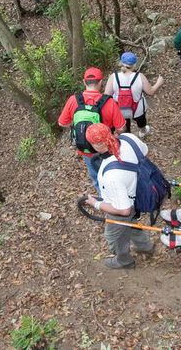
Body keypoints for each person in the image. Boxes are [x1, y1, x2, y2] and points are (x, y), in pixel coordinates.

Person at [82, 123, 155, 269]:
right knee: (132, 222)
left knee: (114, 237)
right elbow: (144, 152)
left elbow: (124, 211)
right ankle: (145, 246)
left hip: (122, 204)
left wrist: (96, 204)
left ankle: (124, 261)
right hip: (140, 193)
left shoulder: (111, 175)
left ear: (96, 145)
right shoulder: (128, 138)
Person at [57, 68, 125, 189]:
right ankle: (117, 194)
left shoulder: (73, 100)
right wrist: (116, 135)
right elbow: (121, 128)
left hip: (86, 148)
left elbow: (62, 123)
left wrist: (78, 127)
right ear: (100, 82)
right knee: (113, 173)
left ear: (84, 82)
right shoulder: (109, 103)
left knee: (97, 176)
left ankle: (103, 196)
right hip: (106, 147)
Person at [104, 52, 163, 137]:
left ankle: (127, 137)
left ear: (121, 63)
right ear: (135, 64)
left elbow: (106, 95)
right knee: (141, 120)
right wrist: (158, 83)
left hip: (120, 108)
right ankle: (142, 131)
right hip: (138, 108)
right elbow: (150, 91)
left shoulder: (114, 77)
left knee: (124, 124)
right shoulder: (140, 76)